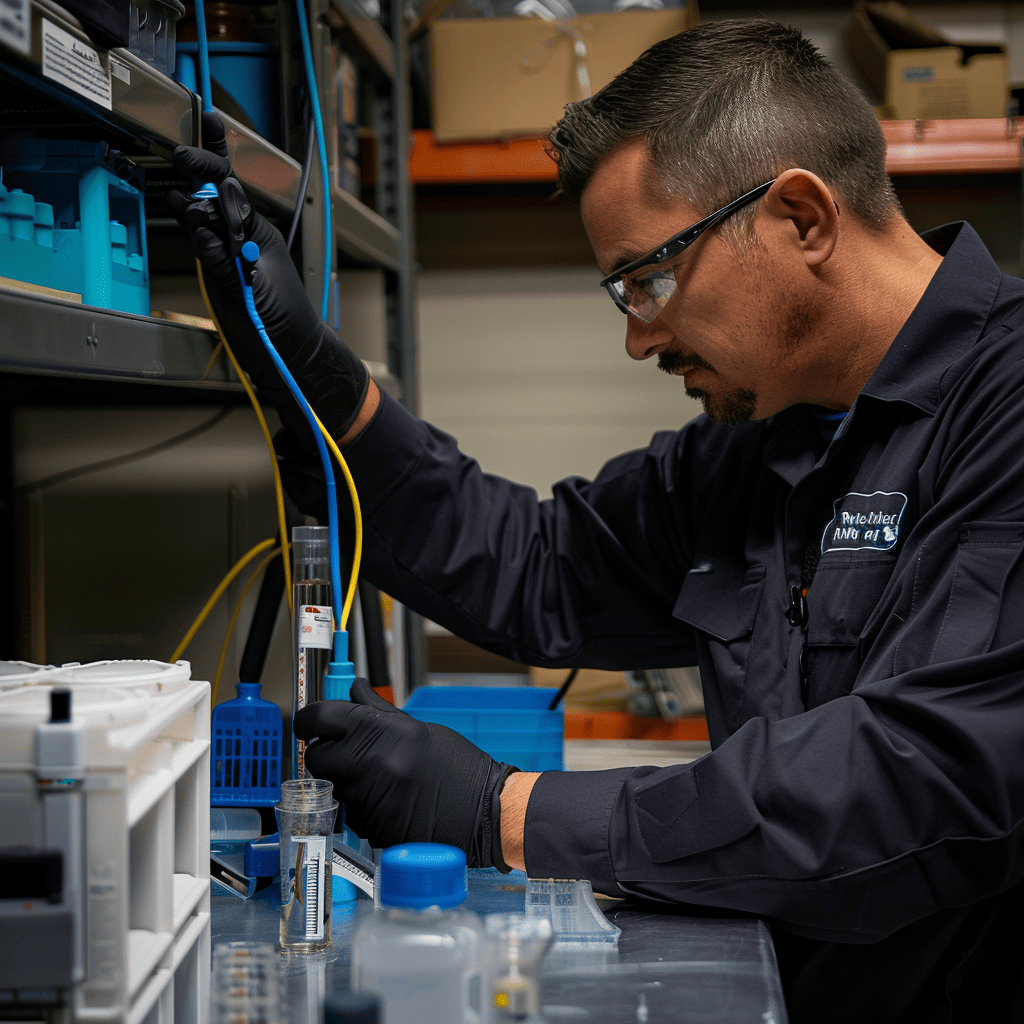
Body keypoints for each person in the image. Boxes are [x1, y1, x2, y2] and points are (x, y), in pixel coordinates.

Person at [171, 19, 1024, 1022]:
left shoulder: (1000, 413)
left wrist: (508, 812)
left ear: (800, 215)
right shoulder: (758, 447)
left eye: (649, 279)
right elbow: (537, 565)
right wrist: (323, 378)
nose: (636, 337)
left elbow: (917, 775)